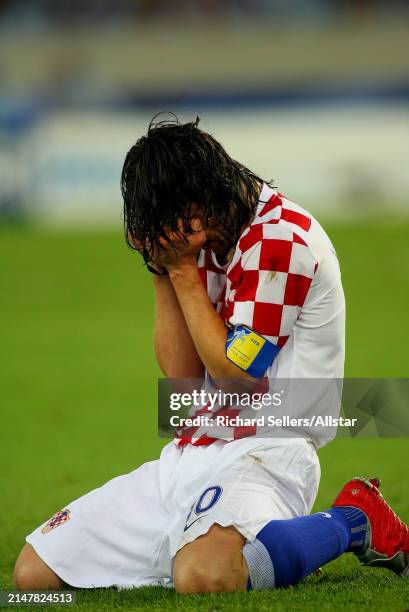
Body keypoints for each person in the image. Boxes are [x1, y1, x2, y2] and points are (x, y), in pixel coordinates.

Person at [13, 117, 409, 592]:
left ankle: (353, 520)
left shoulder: (280, 241)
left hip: (270, 451)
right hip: (190, 452)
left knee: (203, 577)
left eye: (167, 222)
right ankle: (269, 550)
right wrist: (162, 271)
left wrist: (181, 271)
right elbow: (182, 375)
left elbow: (236, 377)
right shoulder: (195, 234)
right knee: (34, 577)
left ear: (200, 198)